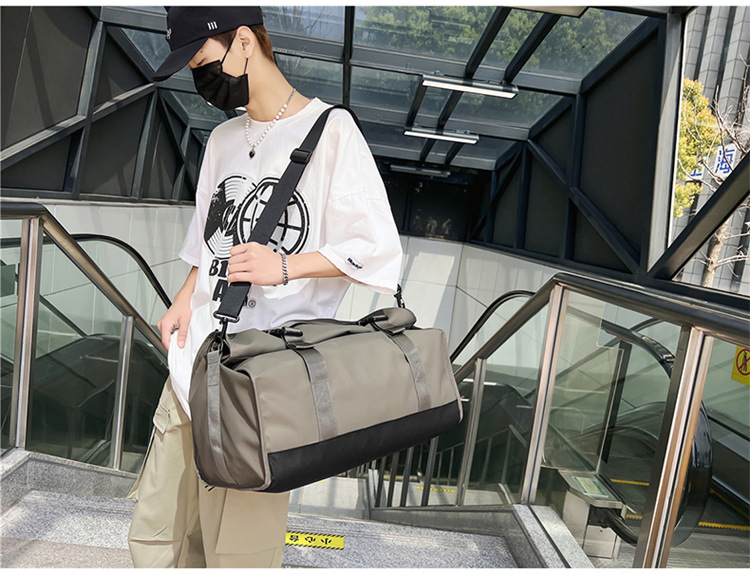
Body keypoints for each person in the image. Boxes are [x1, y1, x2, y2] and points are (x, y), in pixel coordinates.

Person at [126, 6, 403, 568]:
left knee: (238, 552)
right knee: (156, 534)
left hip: (263, 381)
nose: (200, 79)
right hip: (193, 360)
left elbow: (377, 251)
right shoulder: (223, 139)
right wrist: (182, 299)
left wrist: (286, 267)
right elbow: (211, 240)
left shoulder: (332, 132)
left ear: (244, 42)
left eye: (202, 62)